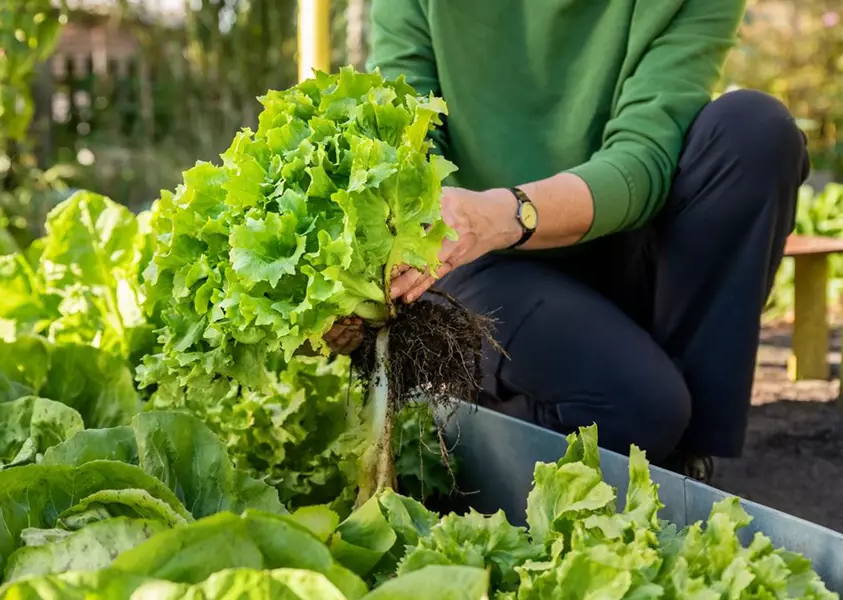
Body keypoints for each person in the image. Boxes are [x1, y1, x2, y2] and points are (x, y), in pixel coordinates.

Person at [324, 0, 811, 482]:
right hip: (469, 254)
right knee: (638, 408)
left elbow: (644, 154)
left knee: (753, 132)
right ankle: (470, 423)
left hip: (604, 236)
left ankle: (683, 462)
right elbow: (405, 132)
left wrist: (507, 211)